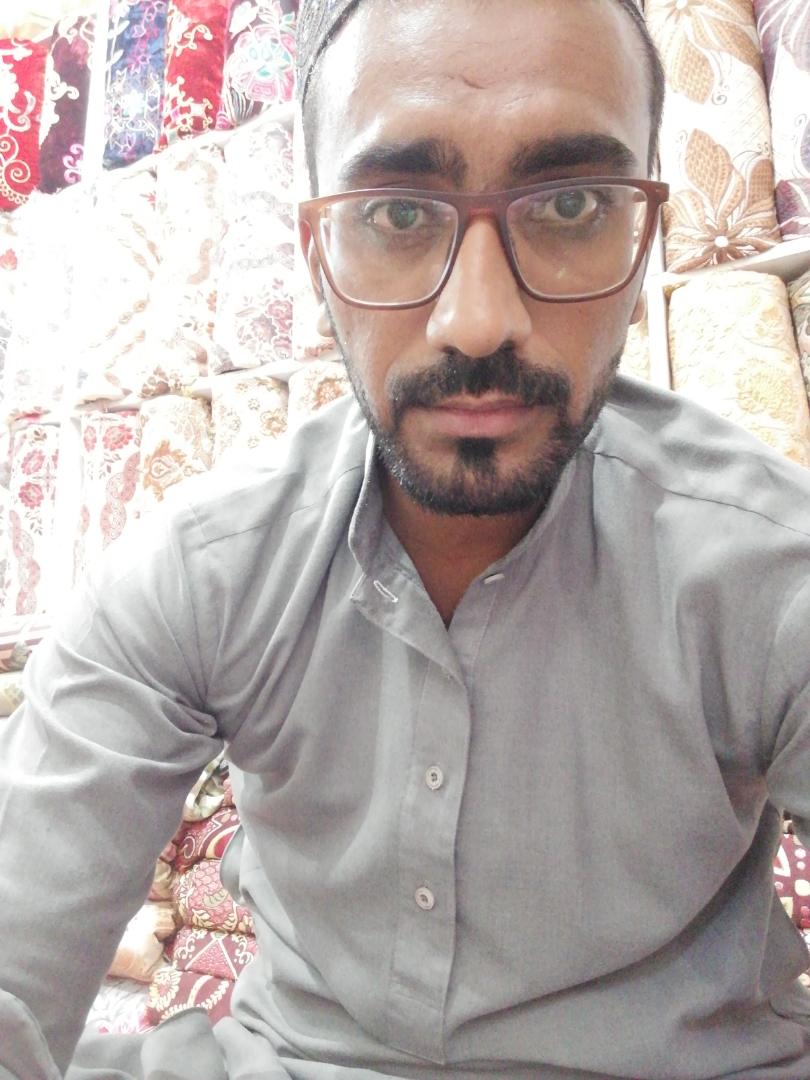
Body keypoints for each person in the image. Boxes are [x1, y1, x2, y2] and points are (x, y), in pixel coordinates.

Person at [3, 0, 810, 1076]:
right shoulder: (194, 578)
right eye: (396, 213)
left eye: (569, 204)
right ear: (317, 254)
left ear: (641, 238)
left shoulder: (769, 575)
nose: (478, 321)